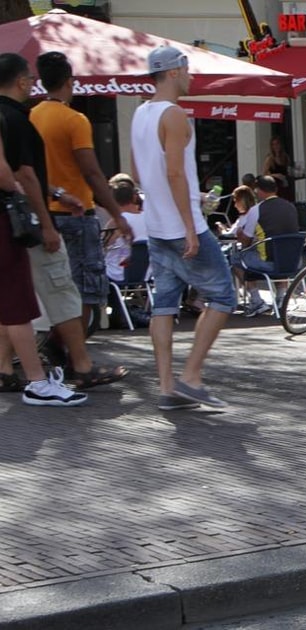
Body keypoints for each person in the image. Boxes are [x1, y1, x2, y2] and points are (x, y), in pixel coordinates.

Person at [0, 52, 126, 392]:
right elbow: (26, 175)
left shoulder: (30, 115)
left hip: (16, 220)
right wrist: (47, 222)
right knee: (68, 291)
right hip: (40, 218)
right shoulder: (42, 119)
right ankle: (78, 365)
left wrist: (54, 192)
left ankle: (4, 367)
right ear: (23, 81)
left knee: (13, 295)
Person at [130, 45, 238, 410]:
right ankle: (191, 376)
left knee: (164, 305)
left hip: (156, 224)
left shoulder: (140, 113)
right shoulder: (174, 115)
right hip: (179, 225)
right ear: (174, 72)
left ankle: (166, 387)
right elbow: (174, 171)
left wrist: (188, 195)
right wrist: (192, 225)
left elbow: (139, 172)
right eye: (188, 70)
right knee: (223, 296)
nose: (191, 77)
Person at [0, 66, 86, 405]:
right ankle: (37, 381)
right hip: (5, 218)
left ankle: (9, 370)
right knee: (17, 303)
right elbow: (8, 172)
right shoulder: (13, 117)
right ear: (21, 81)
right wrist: (19, 191)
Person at [33, 52, 133, 321]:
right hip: (78, 214)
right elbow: (91, 171)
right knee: (85, 290)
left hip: (45, 214)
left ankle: (58, 346)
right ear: (69, 81)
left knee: (52, 288)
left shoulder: (31, 117)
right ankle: (75, 350)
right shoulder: (75, 120)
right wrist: (117, 213)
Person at [232, 175, 299, 317]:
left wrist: (239, 233)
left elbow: (246, 241)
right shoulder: (291, 206)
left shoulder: (256, 210)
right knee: (279, 253)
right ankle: (281, 298)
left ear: (258, 190)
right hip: (292, 261)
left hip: (268, 261)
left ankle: (256, 301)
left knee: (237, 259)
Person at [104, 182, 148, 283]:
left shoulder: (117, 222)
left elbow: (105, 245)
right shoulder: (148, 218)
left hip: (118, 272)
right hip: (146, 272)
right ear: (134, 198)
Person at [261, 136, 293, 201]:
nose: (276, 146)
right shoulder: (270, 159)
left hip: (284, 185)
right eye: (273, 144)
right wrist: (276, 175)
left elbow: (289, 170)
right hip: (275, 186)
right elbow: (264, 174)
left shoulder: (285, 157)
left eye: (277, 144)